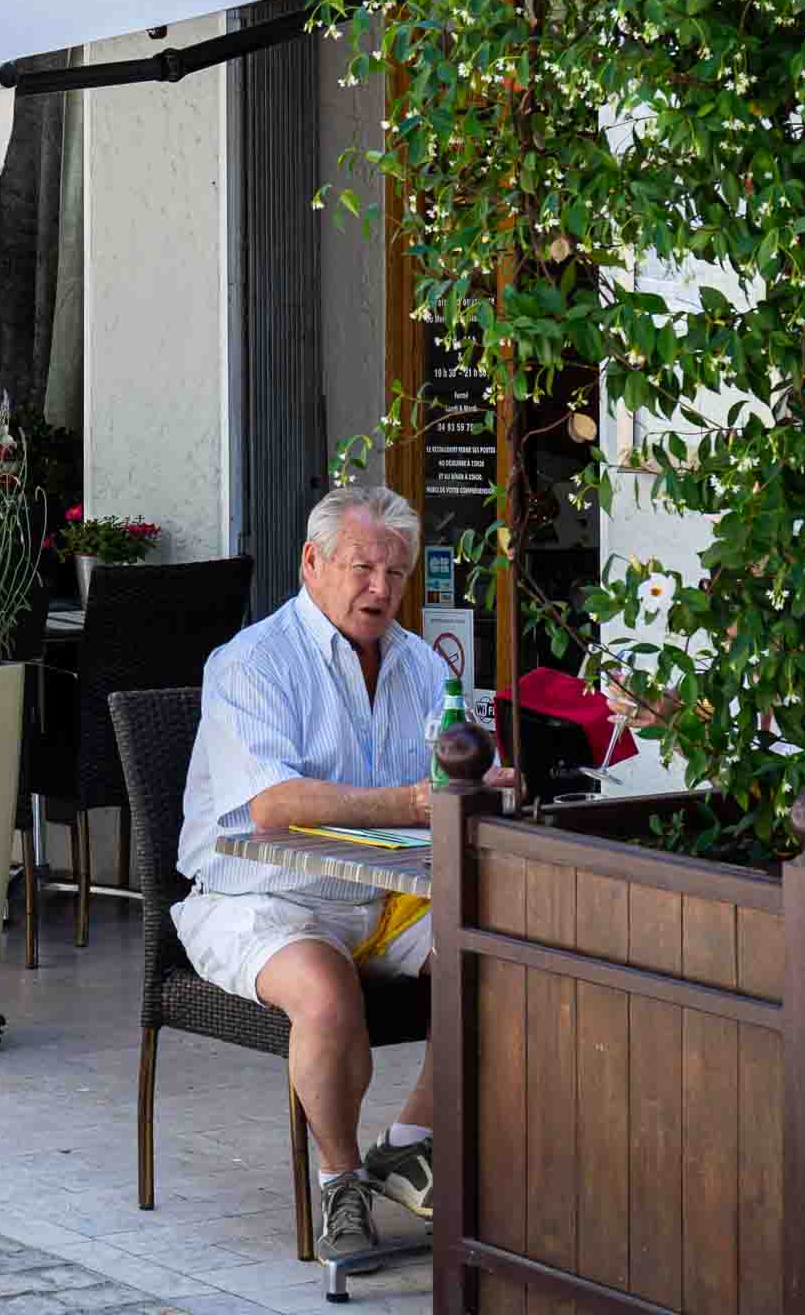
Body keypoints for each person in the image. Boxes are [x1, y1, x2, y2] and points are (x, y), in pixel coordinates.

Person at [174, 483, 510, 1262]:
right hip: (259, 895)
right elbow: (271, 806)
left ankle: (410, 1141)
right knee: (328, 996)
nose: (381, 590)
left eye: (396, 574)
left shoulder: (421, 664)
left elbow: (447, 767)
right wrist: (409, 803)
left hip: (381, 896)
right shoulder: (252, 661)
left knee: (494, 958)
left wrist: (484, 782)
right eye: (363, 569)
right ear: (312, 562)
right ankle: (342, 1180)